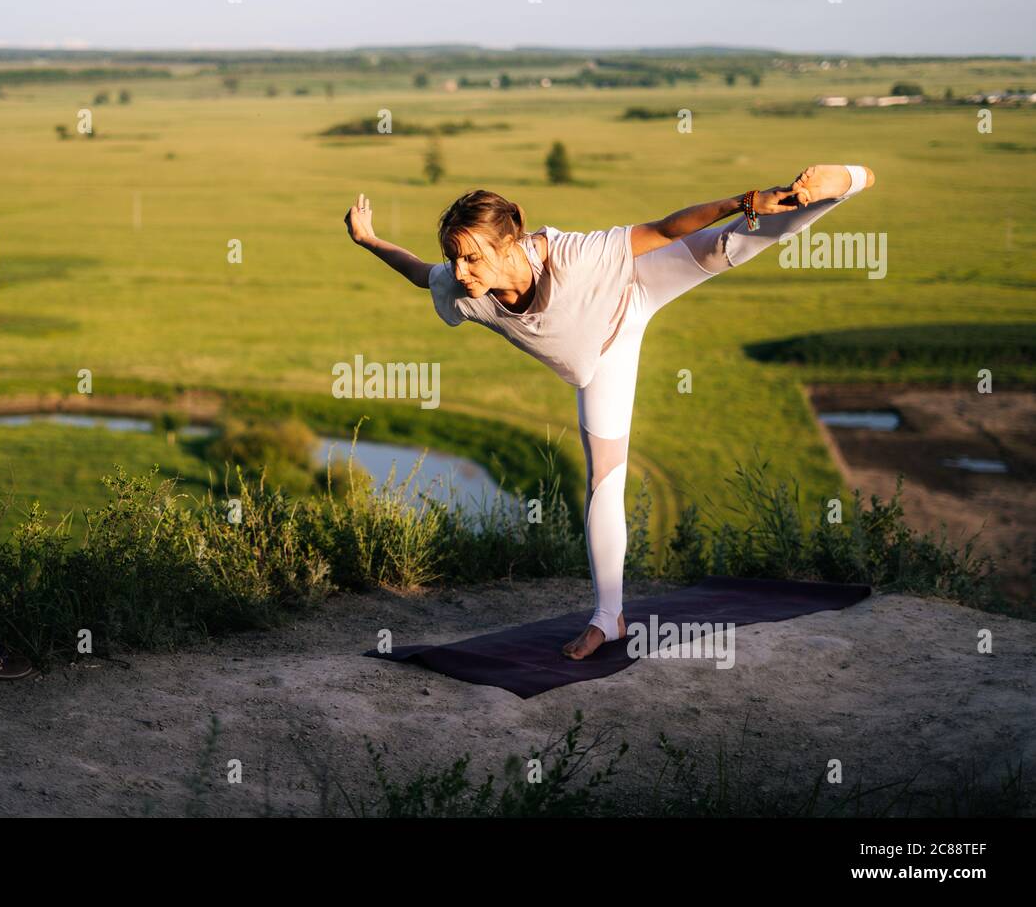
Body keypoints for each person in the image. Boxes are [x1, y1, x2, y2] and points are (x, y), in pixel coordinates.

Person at [344, 165, 875, 659]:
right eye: (455, 257)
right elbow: (418, 272)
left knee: (727, 243)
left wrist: (745, 201)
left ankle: (848, 180)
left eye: (472, 258)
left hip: (635, 286)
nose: (460, 271)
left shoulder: (576, 255)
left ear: (512, 245)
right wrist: (369, 241)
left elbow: (665, 230)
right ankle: (610, 619)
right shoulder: (463, 288)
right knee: (603, 478)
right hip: (606, 356)